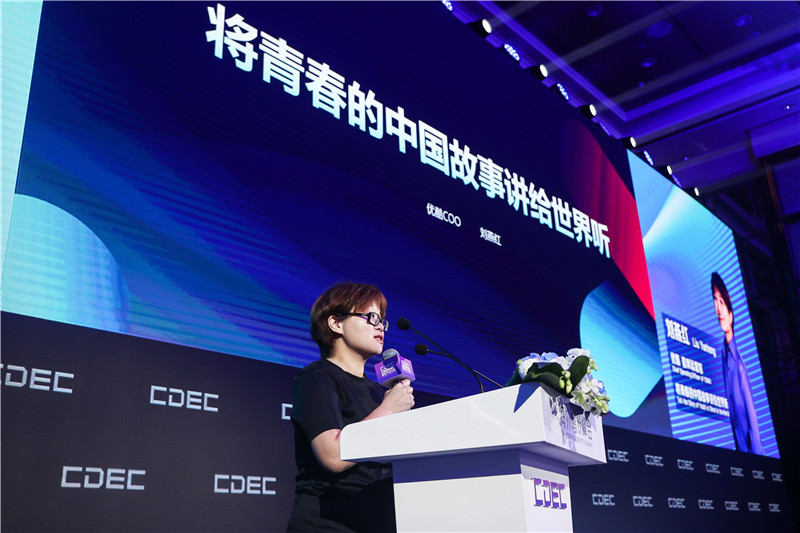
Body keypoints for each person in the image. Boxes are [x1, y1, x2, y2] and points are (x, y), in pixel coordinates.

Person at [286, 282, 414, 532]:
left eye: (382, 321)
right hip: (329, 522)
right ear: (336, 323)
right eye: (371, 317)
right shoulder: (316, 377)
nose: (380, 326)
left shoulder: (380, 392)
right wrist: (388, 411)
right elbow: (332, 455)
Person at [711, 272, 763, 454]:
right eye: (715, 300)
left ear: (731, 314)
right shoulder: (723, 354)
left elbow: (751, 416)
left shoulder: (739, 365)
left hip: (751, 452)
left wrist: (757, 459)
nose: (719, 309)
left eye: (722, 302)